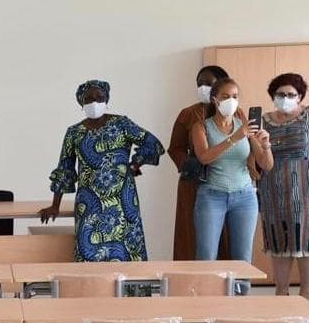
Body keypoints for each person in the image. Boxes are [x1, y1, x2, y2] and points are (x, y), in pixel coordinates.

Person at [40, 80, 164, 261]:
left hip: (122, 202)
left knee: (125, 255)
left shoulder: (122, 124)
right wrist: (55, 206)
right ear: (81, 103)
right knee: (88, 254)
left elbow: (152, 143)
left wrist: (135, 164)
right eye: (89, 99)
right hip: (88, 205)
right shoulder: (74, 132)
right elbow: (65, 168)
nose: (94, 102)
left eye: (99, 98)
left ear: (107, 100)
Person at [258, 73, 309, 301]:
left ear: (300, 96)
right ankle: (281, 294)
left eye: (291, 94)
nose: (285, 98)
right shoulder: (263, 121)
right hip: (275, 191)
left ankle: (306, 294)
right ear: (272, 96)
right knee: (279, 241)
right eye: (280, 94)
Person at [192, 77, 273, 264]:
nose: (231, 100)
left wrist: (266, 145)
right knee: (206, 256)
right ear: (215, 99)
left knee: (243, 258)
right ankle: (207, 293)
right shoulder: (202, 126)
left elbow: (267, 165)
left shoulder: (246, 127)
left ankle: (241, 292)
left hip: (245, 196)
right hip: (211, 196)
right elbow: (204, 157)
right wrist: (235, 138)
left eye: (235, 96)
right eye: (226, 96)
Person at [168, 65, 229, 260]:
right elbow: (174, 147)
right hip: (194, 182)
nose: (202, 87)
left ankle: (224, 284)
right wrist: (189, 163)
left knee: (225, 233)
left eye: (208, 84)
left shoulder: (235, 114)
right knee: (191, 231)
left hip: (226, 180)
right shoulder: (187, 114)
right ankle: (189, 284)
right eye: (199, 84)